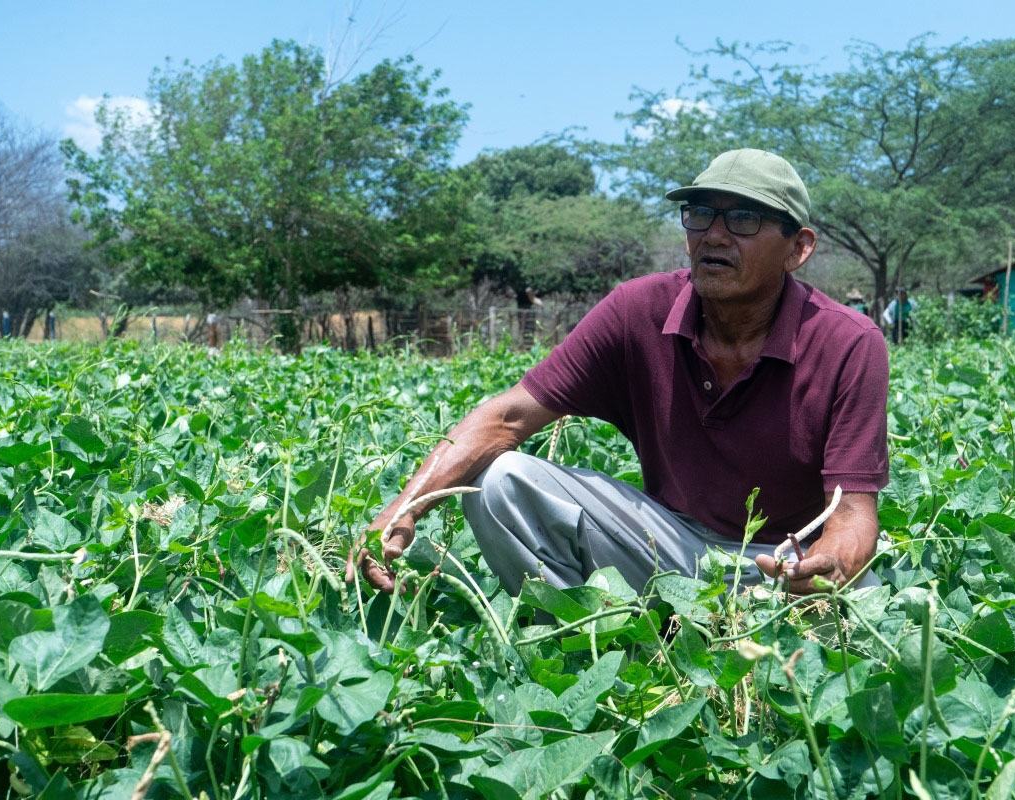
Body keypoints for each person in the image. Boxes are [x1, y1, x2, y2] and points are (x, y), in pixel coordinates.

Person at [363, 148, 889, 597]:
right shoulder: (638, 310)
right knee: (501, 482)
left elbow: (853, 514)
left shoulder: (848, 342)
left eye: (745, 219)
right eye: (701, 214)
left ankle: (729, 644)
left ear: (798, 248)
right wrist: (404, 508)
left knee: (859, 610)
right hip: (666, 543)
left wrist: (829, 565)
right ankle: (591, 643)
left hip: (782, 563)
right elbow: (507, 418)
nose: (715, 235)